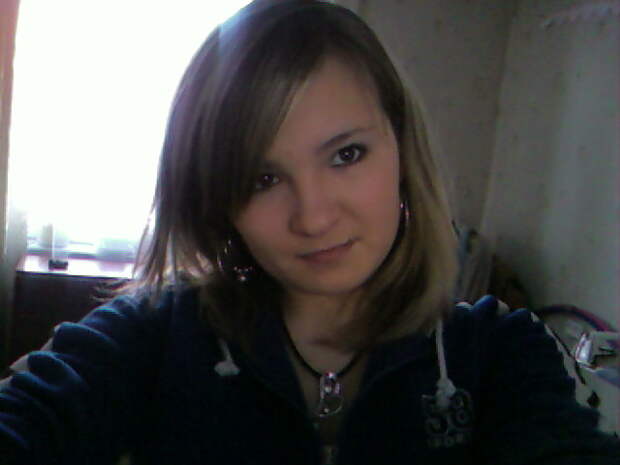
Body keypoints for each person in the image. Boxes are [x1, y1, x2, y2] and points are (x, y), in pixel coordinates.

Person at [1, 1, 619, 464]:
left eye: (347, 155)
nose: (314, 217)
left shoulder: (499, 353)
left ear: (402, 152)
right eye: (262, 178)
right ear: (219, 200)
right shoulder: (155, 336)